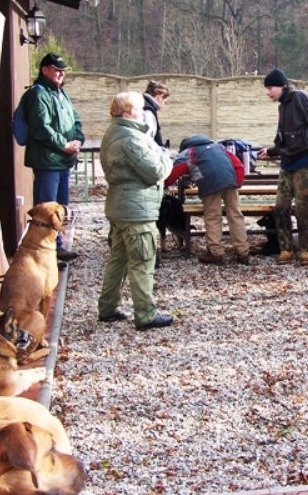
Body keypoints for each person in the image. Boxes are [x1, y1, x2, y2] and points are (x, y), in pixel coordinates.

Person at [96, 92, 174, 330]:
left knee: (118, 260)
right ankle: (146, 314)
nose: (142, 114)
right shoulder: (131, 138)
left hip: (120, 207)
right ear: (127, 113)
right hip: (137, 211)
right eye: (139, 110)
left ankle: (108, 307)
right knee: (142, 261)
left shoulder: (113, 133)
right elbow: (155, 171)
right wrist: (166, 158)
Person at [258, 68, 308, 266]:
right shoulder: (282, 106)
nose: (268, 92)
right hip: (288, 163)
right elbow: (286, 139)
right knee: (281, 207)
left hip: (307, 160)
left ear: (282, 86)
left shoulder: (300, 98)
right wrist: (273, 151)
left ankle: (306, 250)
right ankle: (286, 249)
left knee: (302, 206)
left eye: (270, 88)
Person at [21, 52, 84, 263]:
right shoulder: (38, 94)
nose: (61, 75)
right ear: (45, 70)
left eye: (63, 71)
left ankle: (55, 247)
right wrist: (63, 144)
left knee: (60, 209)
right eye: (57, 70)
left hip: (63, 160)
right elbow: (41, 127)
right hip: (47, 161)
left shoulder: (61, 93)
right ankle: (43, 252)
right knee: (46, 210)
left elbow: (75, 120)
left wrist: (78, 141)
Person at [166, 135, 250, 266]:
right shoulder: (219, 147)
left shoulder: (188, 152)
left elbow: (174, 173)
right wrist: (237, 183)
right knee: (235, 215)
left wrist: (164, 184)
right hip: (230, 181)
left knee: (213, 217)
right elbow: (238, 165)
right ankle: (243, 252)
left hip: (210, 184)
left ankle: (216, 253)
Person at [142, 80, 170, 147]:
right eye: (165, 102)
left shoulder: (144, 105)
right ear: (160, 97)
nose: (164, 105)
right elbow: (147, 141)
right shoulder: (148, 112)